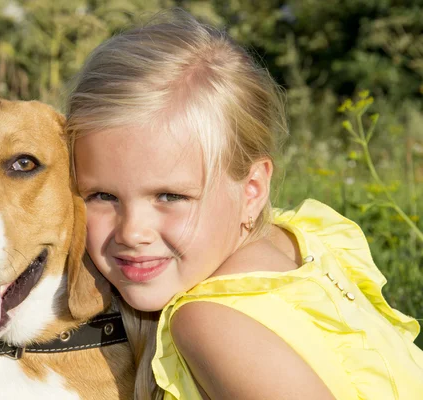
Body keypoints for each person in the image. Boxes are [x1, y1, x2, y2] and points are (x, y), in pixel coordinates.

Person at [66, 10, 423, 400]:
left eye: (170, 196)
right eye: (103, 196)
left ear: (251, 190)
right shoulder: (297, 238)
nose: (132, 231)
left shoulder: (211, 323)